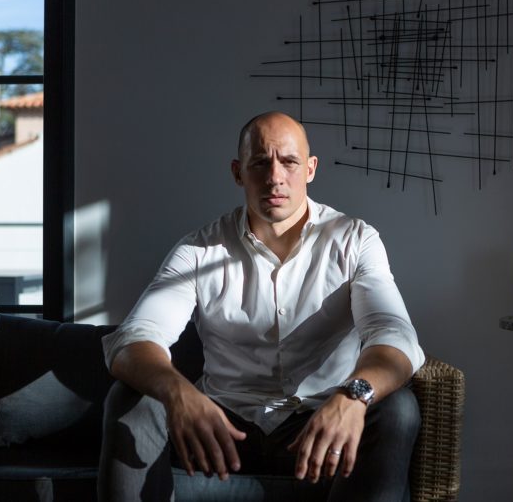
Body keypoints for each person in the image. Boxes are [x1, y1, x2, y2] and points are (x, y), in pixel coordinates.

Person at [98, 111, 425, 502]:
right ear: (238, 172)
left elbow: (394, 335)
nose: (274, 177)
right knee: (129, 399)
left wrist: (353, 396)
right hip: (223, 431)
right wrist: (178, 392)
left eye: (288, 162)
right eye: (259, 163)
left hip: (319, 428)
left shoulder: (354, 240)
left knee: (399, 410)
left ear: (310, 169)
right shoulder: (199, 250)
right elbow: (132, 341)